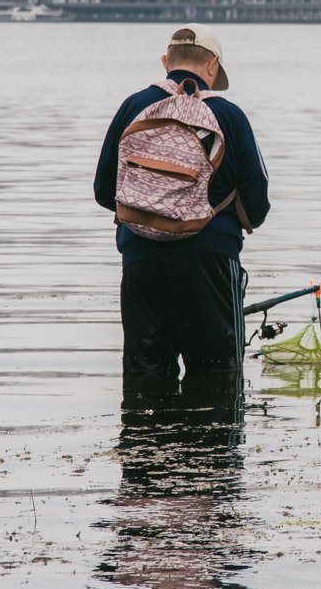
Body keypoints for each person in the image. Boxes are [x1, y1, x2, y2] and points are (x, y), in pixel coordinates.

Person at [94, 24, 270, 378]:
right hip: (210, 259)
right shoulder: (229, 115)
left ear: (165, 61)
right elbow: (256, 205)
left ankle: (145, 432)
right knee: (217, 375)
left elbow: (103, 190)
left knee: (146, 376)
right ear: (213, 66)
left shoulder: (133, 106)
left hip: (141, 261)